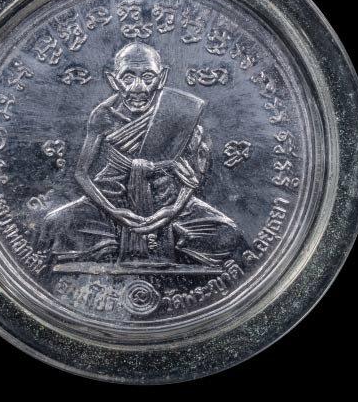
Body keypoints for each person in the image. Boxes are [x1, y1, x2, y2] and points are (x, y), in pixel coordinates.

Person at [41, 42, 246, 268]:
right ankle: (116, 240)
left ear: (162, 77)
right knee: (55, 224)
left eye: (148, 77)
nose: (138, 87)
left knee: (228, 234)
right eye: (128, 77)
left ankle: (136, 240)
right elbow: (81, 173)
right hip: (111, 201)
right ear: (113, 80)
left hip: (168, 202)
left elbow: (193, 174)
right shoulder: (103, 115)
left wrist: (173, 209)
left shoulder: (181, 111)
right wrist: (114, 211)